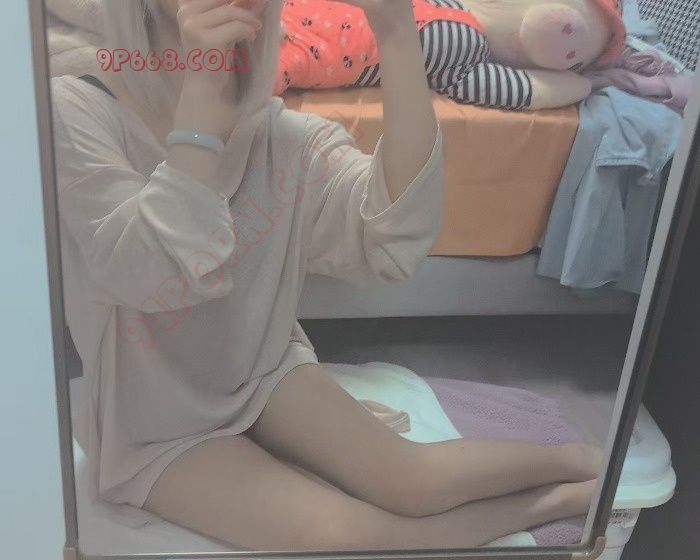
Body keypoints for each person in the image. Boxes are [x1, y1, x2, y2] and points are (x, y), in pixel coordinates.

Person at [52, 0, 601, 551]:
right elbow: (150, 275)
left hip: (262, 370)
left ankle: (581, 461)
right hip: (155, 422)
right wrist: (200, 102)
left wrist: (397, 34)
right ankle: (555, 504)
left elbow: (392, 235)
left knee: (417, 481)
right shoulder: (76, 110)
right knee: (358, 538)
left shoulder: (279, 136)